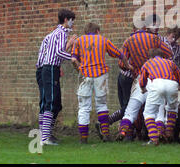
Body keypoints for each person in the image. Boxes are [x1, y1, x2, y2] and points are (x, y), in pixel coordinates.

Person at [71, 23, 131, 144]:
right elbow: (120, 54)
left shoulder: (78, 41)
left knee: (84, 107)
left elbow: (73, 59)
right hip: (101, 75)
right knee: (102, 105)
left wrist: (80, 69)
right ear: (97, 31)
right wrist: (128, 65)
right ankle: (106, 135)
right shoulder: (103, 40)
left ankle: (83, 138)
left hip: (85, 75)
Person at [40, 9, 78, 145]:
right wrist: (74, 58)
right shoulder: (61, 32)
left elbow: (57, 51)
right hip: (50, 68)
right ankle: (45, 137)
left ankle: (46, 134)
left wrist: (69, 45)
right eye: (72, 20)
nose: (73, 23)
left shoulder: (56, 33)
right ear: (66, 20)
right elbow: (58, 52)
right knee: (51, 102)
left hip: (50, 68)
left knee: (55, 103)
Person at [140, 48, 180, 145]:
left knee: (148, 113)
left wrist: (143, 87)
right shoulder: (170, 62)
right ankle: (169, 133)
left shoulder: (148, 62)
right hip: (172, 84)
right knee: (172, 109)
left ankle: (154, 139)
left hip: (157, 83)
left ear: (151, 56)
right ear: (162, 56)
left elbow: (143, 78)